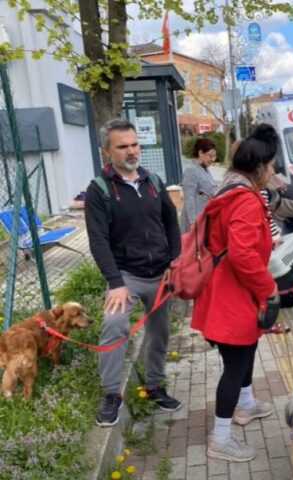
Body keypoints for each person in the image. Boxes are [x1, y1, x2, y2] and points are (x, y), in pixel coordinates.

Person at [85, 118, 182, 427]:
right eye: (122, 146)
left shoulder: (153, 181)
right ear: (106, 152)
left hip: (161, 275)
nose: (131, 151)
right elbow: (98, 240)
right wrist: (115, 283)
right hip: (125, 276)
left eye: (134, 144)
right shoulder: (99, 190)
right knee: (114, 326)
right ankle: (112, 394)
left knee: (160, 332)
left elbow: (170, 223)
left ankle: (155, 386)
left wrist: (174, 263)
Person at [191, 124, 278, 462]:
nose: (273, 172)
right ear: (257, 168)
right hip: (232, 295)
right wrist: (268, 289)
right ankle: (221, 439)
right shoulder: (244, 199)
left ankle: (246, 405)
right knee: (235, 363)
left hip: (231, 291)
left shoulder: (231, 187)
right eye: (270, 166)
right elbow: (242, 253)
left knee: (246, 350)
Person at [181, 137, 217, 231]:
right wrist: (193, 222)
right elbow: (189, 198)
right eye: (210, 156)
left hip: (205, 220)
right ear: (200, 153)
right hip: (195, 223)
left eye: (214, 156)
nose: (212, 159)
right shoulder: (191, 170)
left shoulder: (205, 170)